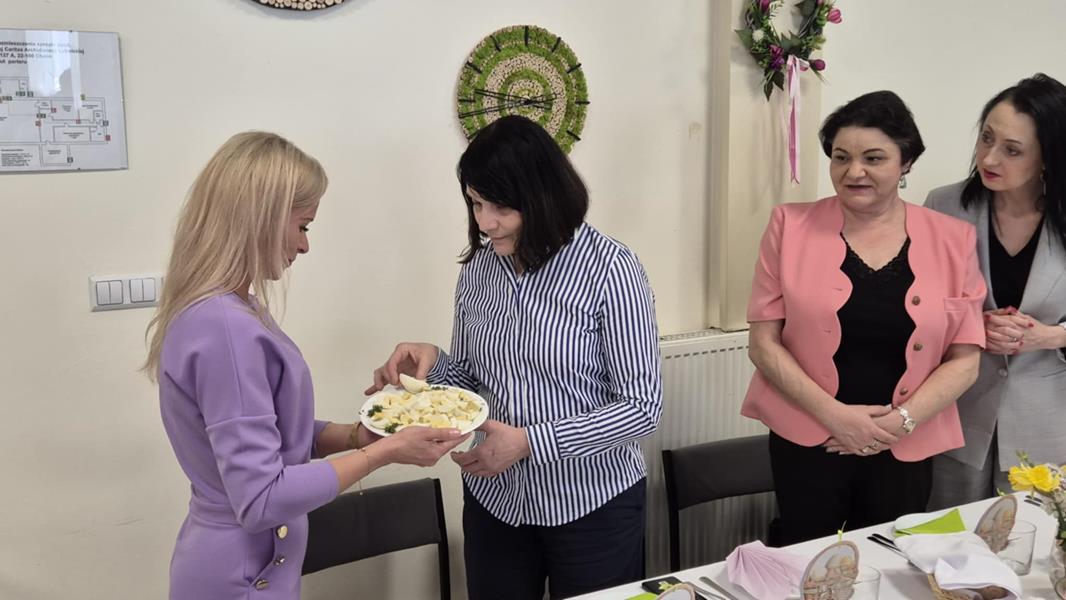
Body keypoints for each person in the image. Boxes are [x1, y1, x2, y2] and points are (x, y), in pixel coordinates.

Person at [145, 131, 467, 600]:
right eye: (303, 226)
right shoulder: (224, 328)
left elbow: (270, 433)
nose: (304, 245)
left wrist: (357, 436)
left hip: (255, 565)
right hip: (242, 577)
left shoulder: (232, 310)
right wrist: (385, 453)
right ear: (261, 218)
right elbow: (261, 497)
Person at [366, 115, 663, 600]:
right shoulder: (479, 270)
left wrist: (530, 443)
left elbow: (642, 407)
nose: (485, 223)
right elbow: (471, 381)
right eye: (476, 203)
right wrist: (433, 362)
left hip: (592, 505)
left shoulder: (611, 269)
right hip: (496, 501)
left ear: (543, 194)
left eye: (500, 206)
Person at [742, 91, 987, 545]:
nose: (854, 172)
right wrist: (836, 417)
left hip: (904, 443)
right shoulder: (789, 226)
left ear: (906, 162)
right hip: (810, 438)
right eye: (841, 157)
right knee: (811, 561)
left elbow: (965, 359)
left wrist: (901, 422)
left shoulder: (953, 239)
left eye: (873, 158)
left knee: (892, 559)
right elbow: (764, 344)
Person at [925, 73, 1066, 509]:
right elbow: (916, 305)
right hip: (957, 412)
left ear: (1048, 158)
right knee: (946, 537)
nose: (989, 157)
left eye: (1012, 150)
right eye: (986, 137)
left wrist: (1051, 336)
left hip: (1047, 423)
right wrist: (971, 326)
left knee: (1034, 542)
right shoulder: (944, 206)